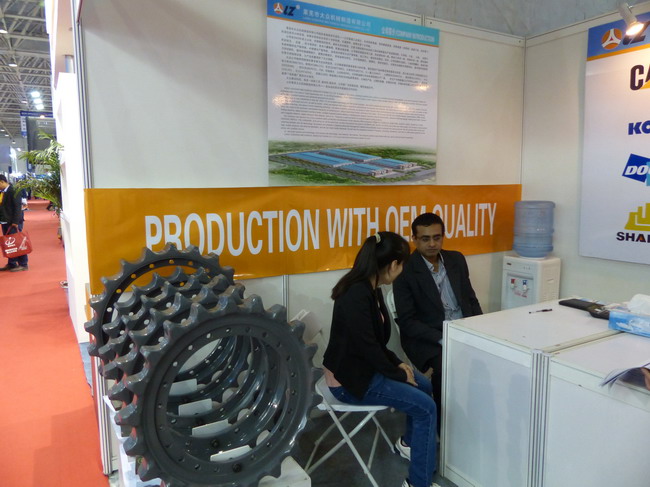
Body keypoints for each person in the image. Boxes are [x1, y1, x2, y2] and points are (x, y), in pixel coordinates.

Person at [323, 231, 440, 487]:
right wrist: (398, 373)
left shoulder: (371, 288)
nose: (402, 270)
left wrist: (398, 364)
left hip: (364, 367)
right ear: (394, 264)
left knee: (424, 385)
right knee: (426, 408)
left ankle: (409, 445)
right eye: (403, 265)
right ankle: (418, 483)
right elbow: (368, 348)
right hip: (349, 381)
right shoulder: (356, 294)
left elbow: (374, 343)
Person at [393, 213, 482, 429]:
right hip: (428, 336)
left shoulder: (456, 259)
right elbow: (408, 321)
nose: (432, 244)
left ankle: (478, 416)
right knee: (446, 366)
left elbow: (470, 299)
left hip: (463, 327)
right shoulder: (405, 270)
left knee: (492, 356)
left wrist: (482, 327)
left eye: (437, 237)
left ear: (443, 236)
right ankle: (445, 428)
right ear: (414, 239)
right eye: (425, 239)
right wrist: (443, 338)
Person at [0, 174, 29, 271]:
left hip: (13, 222)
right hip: (5, 221)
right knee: (9, 244)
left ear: (2, 182)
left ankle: (23, 264)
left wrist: (15, 221)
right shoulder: (2, 192)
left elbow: (17, 207)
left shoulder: (14, 190)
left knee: (18, 242)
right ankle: (12, 263)